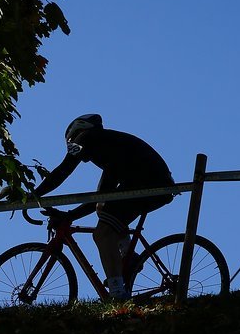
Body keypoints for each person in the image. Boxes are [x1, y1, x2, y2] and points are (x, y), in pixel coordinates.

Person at [33, 114, 175, 300]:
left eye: (69, 144)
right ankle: (127, 255)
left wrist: (34, 196)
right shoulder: (109, 147)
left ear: (76, 134)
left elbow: (63, 170)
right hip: (150, 183)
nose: (71, 150)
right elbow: (100, 197)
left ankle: (117, 293)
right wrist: (71, 215)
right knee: (104, 210)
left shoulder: (87, 139)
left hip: (147, 184)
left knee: (102, 233)